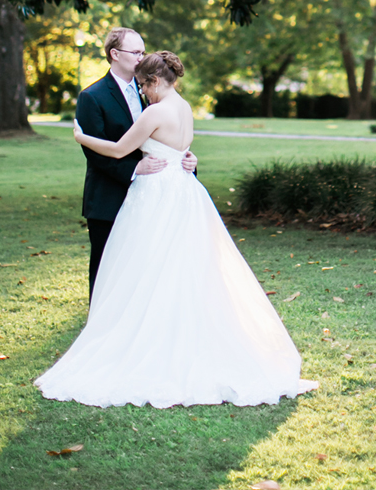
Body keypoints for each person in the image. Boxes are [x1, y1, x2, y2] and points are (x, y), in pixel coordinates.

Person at [36, 50, 317, 408]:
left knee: (149, 268)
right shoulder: (184, 107)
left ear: (154, 81)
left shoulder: (155, 111)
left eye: (143, 86)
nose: (143, 93)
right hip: (186, 192)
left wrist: (82, 137)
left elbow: (120, 149)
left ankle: (150, 343)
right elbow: (180, 149)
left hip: (156, 195)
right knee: (187, 268)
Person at [75, 27, 195, 295]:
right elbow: (95, 154)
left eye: (143, 51)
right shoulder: (91, 97)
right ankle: (99, 323)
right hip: (109, 196)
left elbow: (169, 138)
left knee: (147, 268)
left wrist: (186, 159)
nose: (142, 57)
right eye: (136, 52)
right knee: (106, 267)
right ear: (115, 54)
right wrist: (134, 169)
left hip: (156, 197)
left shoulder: (153, 90)